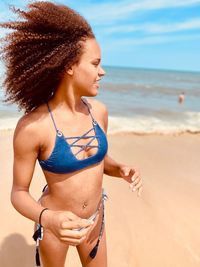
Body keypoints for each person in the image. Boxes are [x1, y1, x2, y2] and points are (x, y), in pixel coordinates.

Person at [0, 2, 143, 267]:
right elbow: (18, 192)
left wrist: (119, 168)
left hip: (95, 220)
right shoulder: (33, 127)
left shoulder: (98, 112)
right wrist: (48, 219)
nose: (102, 72)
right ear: (68, 66)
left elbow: (98, 162)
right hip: (55, 226)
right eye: (95, 63)